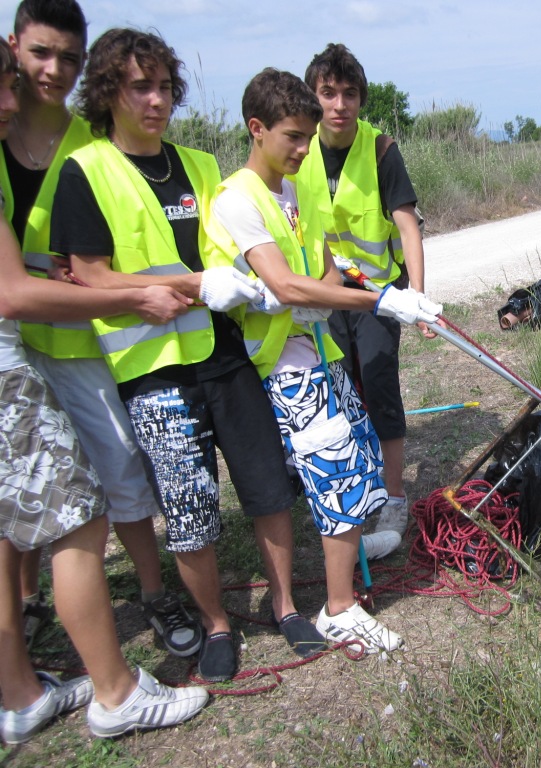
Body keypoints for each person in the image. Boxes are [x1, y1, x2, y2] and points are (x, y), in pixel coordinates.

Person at [49, 28, 326, 681]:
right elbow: (87, 277)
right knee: (190, 507)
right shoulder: (84, 171)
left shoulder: (201, 166)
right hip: (152, 371)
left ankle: (287, 607)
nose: (156, 100)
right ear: (108, 92)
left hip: (223, 351)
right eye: (139, 87)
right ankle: (217, 625)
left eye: (166, 87)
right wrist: (188, 284)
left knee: (265, 483)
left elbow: (233, 253)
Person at [0, 38, 209, 742]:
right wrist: (112, 292)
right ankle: (97, 679)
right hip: (31, 343)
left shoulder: (92, 143)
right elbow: (19, 289)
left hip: (86, 344)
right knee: (69, 509)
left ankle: (36, 675)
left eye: (65, 55)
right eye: (33, 58)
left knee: (88, 484)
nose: (38, 79)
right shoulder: (54, 149)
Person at [208, 68, 441, 650]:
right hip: (282, 364)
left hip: (322, 348)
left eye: (308, 138)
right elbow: (286, 286)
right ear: (256, 129)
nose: (303, 149)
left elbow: (324, 270)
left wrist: (357, 291)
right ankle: (338, 607)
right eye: (292, 136)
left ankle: (356, 552)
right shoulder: (238, 199)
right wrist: (378, 297)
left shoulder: (294, 190)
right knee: (333, 470)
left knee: (359, 455)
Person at [293, 43, 434, 559]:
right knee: (336, 391)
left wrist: (415, 297)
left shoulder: (379, 149)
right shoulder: (297, 147)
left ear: (361, 99)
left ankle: (394, 497)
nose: (339, 104)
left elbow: (407, 226)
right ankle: (353, 490)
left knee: (377, 387)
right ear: (313, 97)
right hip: (323, 295)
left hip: (377, 296)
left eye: (349, 94)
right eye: (327, 93)